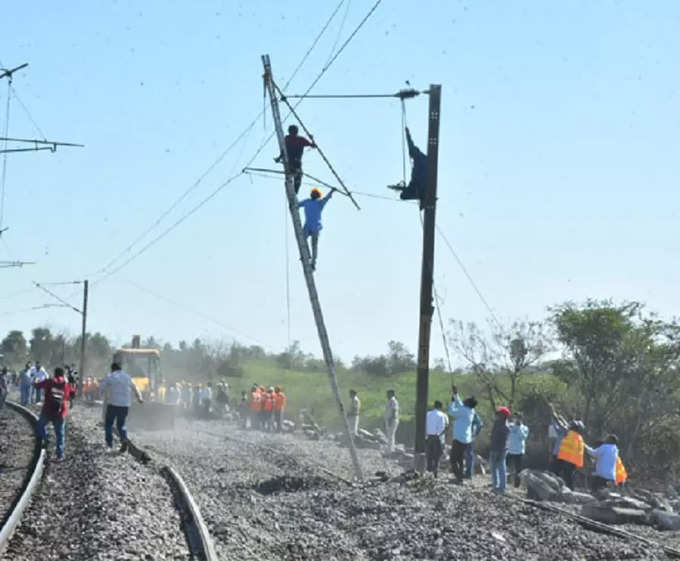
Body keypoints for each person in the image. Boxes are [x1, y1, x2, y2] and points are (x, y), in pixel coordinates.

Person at [34, 367, 76, 461]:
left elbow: (36, 386)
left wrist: (36, 380)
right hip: (61, 411)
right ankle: (59, 455)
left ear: (55, 373)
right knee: (60, 434)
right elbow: (73, 394)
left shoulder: (49, 381)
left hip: (48, 410)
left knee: (40, 425)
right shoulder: (66, 384)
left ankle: (46, 438)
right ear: (63, 374)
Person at [99, 362, 143, 453]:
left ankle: (109, 444)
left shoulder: (110, 376)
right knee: (121, 424)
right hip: (125, 405)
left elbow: (102, 387)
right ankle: (123, 439)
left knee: (108, 424)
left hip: (113, 404)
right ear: (121, 369)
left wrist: (101, 397)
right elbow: (135, 388)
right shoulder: (127, 377)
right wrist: (139, 398)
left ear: (112, 369)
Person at [448, 386, 483, 482]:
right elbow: (460, 404)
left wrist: (451, 402)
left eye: (466, 400)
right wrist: (455, 394)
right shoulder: (470, 410)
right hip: (466, 439)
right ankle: (460, 477)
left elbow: (451, 412)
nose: (464, 400)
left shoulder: (464, 410)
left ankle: (459, 477)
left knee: (453, 459)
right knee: (459, 459)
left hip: (459, 438)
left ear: (468, 403)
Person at [296, 187, 334, 271]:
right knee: (302, 239)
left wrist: (332, 191)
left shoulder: (320, 203)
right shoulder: (307, 201)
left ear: (317, 195)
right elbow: (297, 204)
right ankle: (307, 254)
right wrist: (294, 203)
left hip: (316, 227)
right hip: (307, 226)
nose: (313, 194)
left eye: (315, 193)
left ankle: (313, 263)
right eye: (312, 193)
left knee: (314, 245)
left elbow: (327, 198)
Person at [388, 127, 428, 201]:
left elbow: (411, 145)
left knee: (403, 195)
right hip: (418, 186)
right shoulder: (419, 160)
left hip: (421, 186)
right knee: (403, 195)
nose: (412, 158)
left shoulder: (421, 160)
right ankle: (420, 194)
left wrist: (407, 134)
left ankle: (421, 195)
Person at [274, 124, 316, 194]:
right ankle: (294, 193)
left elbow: (283, 151)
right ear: (297, 131)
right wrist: (312, 139)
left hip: (289, 163)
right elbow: (314, 146)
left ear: (289, 131)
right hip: (296, 163)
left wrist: (279, 158)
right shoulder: (300, 139)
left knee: (293, 177)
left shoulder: (287, 138)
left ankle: (293, 192)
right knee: (298, 177)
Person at [551, 419, 586, 490]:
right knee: (568, 477)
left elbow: (561, 426)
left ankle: (557, 488)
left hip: (564, 458)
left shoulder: (568, 433)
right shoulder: (579, 437)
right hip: (571, 461)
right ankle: (569, 490)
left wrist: (555, 418)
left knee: (555, 473)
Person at [489, 406, 512, 493]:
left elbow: (494, 436)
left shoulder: (503, 426)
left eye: (499, 413)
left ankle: (497, 486)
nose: (497, 415)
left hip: (498, 449)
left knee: (496, 468)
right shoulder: (504, 424)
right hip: (501, 449)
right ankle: (500, 487)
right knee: (501, 468)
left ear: (503, 415)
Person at [425, 400, 449, 477]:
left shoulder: (428, 414)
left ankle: (428, 471)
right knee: (437, 456)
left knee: (429, 455)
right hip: (438, 438)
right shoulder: (443, 415)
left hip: (428, 437)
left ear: (434, 406)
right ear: (441, 407)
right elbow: (444, 427)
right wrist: (440, 436)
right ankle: (435, 472)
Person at [507, 413, 530, 487]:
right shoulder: (510, 425)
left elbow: (523, 437)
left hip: (519, 451)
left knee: (518, 470)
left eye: (517, 418)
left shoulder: (525, 428)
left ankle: (517, 485)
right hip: (509, 450)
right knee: (508, 467)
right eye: (515, 418)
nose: (516, 419)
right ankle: (507, 482)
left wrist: (519, 427)